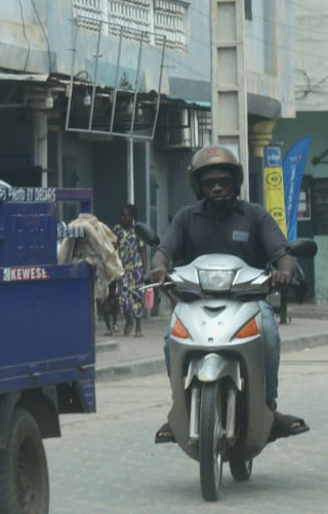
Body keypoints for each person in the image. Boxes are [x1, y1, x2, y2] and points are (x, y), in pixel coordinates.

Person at [150, 146, 308, 443]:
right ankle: (179, 410)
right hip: (195, 303)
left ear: (236, 182)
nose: (218, 187)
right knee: (170, 340)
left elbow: (282, 254)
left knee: (270, 333)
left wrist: (285, 271)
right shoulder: (185, 218)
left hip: (248, 302)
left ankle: (268, 408)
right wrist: (158, 269)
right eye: (210, 182)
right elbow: (163, 254)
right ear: (199, 186)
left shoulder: (255, 215)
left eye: (224, 180)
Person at [112, 204, 147, 337]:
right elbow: (112, 247)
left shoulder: (138, 230)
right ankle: (128, 320)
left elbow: (142, 250)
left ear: (132, 217)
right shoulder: (116, 230)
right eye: (120, 215)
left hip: (136, 269)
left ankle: (138, 326)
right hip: (122, 269)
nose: (121, 218)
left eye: (124, 216)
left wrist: (144, 269)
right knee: (122, 297)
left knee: (137, 297)